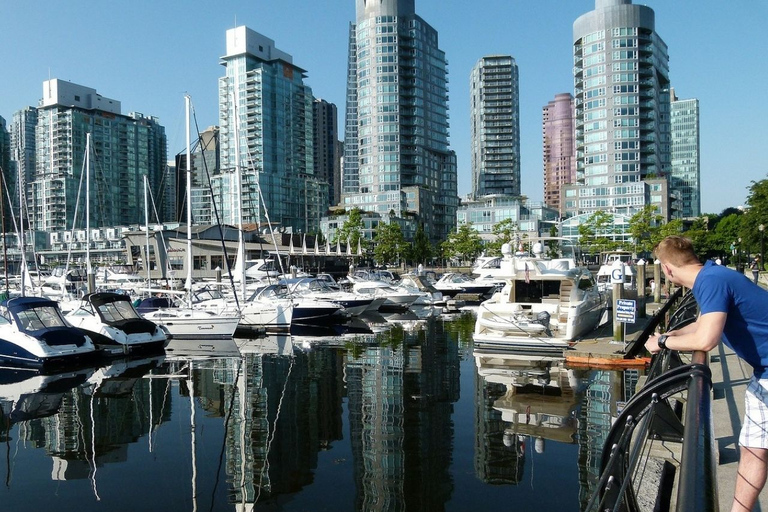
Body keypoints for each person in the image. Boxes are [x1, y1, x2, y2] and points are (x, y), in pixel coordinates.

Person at [645, 235, 768, 512]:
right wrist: (671, 333)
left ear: (666, 269)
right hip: (764, 370)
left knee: (755, 447)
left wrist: (662, 343)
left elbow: (705, 340)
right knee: (753, 447)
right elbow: (702, 323)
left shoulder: (710, 282)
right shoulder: (712, 275)